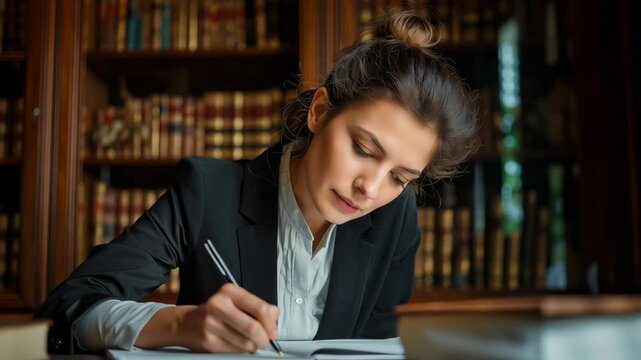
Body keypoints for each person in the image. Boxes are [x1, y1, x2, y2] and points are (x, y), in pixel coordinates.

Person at [35, 9, 477, 354]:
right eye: (363, 149)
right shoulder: (210, 192)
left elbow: (377, 349)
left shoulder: (395, 218)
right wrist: (178, 324)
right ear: (320, 112)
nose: (371, 188)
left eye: (399, 177)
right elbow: (65, 311)